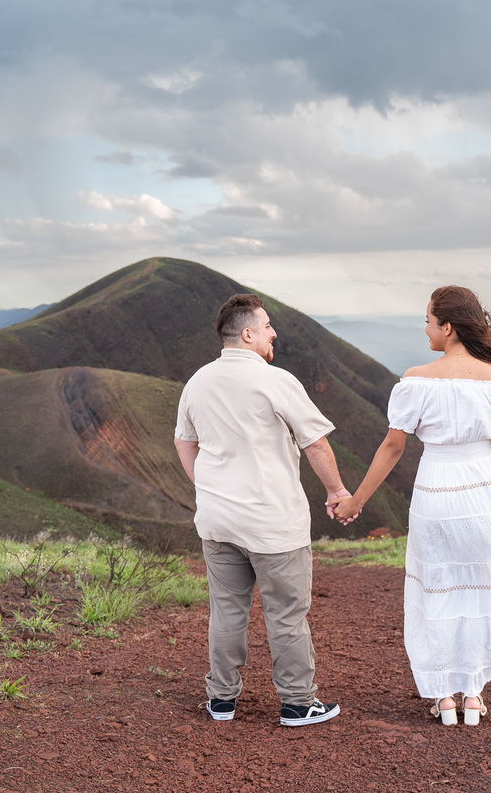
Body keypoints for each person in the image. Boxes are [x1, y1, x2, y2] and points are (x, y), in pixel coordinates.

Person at [331, 285, 491, 726]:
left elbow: (391, 447)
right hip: (485, 492)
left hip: (436, 492)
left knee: (437, 591)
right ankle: (474, 698)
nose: (424, 328)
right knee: (480, 589)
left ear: (447, 326)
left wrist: (356, 501)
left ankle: (444, 697)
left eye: (427, 320)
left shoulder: (417, 380)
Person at [174, 293, 350, 727]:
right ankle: (297, 703)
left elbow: (183, 441)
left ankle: (221, 699)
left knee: (227, 609)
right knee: (286, 614)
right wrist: (336, 491)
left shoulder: (197, 381)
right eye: (268, 326)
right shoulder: (276, 380)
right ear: (248, 333)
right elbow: (316, 443)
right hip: (272, 521)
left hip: (218, 521)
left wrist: (207, 487)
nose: (274, 333)